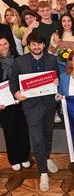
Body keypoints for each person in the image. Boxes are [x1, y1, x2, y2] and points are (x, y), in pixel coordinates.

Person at [9, 31, 59, 192]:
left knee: (47, 135)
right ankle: (43, 172)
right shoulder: (20, 61)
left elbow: (55, 77)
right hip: (31, 107)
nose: (37, 47)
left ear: (44, 45)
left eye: (39, 44)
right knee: (38, 140)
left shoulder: (52, 59)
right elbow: (13, 81)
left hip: (49, 105)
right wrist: (16, 93)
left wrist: (56, 81)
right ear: (29, 45)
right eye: (33, 44)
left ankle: (45, 158)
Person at [0, 34, 30, 170]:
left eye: (5, 44)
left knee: (22, 129)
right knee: (9, 131)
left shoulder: (19, 60)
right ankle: (14, 159)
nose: (3, 47)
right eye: (0, 45)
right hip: (3, 105)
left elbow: (25, 79)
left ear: (10, 45)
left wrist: (20, 94)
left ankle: (24, 156)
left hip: (20, 100)